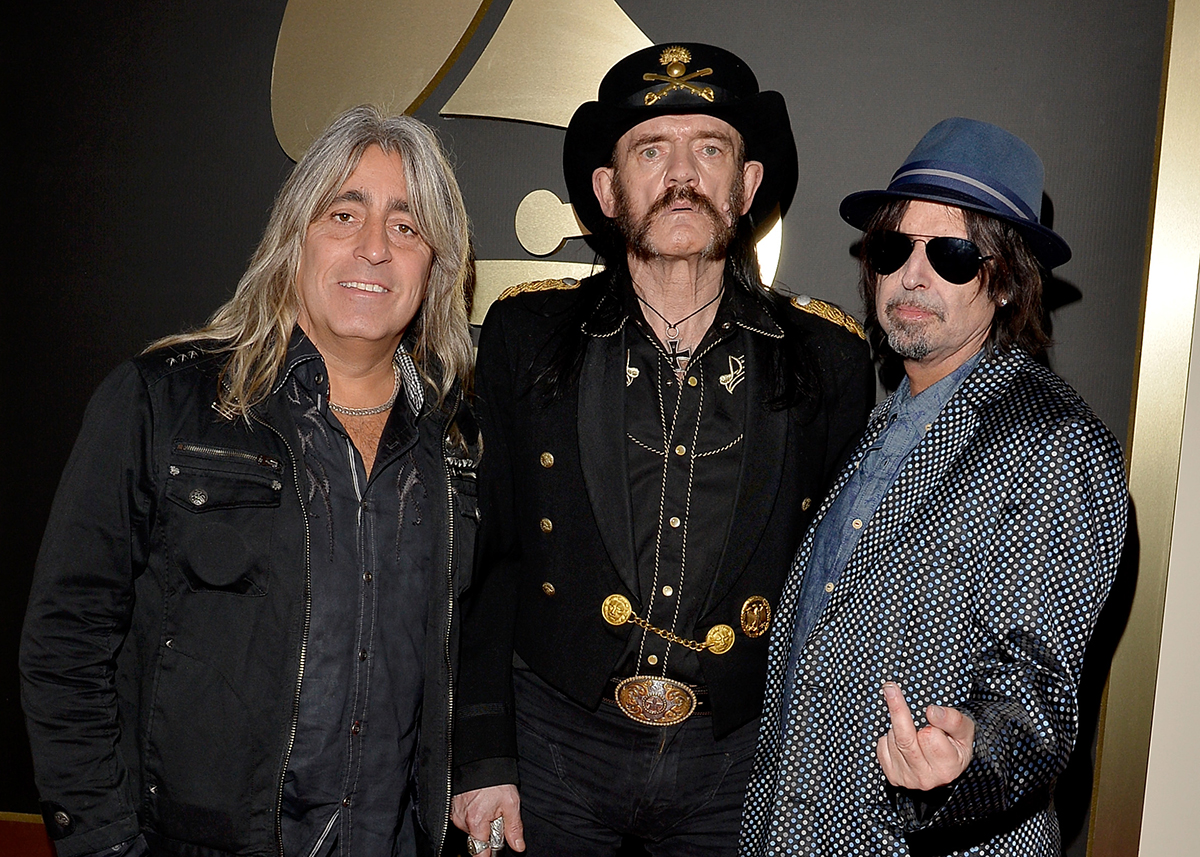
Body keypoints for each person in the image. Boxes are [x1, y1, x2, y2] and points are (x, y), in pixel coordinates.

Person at [20, 105, 479, 857]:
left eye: (406, 226)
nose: (373, 249)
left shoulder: (464, 445)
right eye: (344, 213)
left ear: (437, 263)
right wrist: (102, 842)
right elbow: (65, 644)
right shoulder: (159, 402)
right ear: (294, 238)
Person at [452, 43, 875, 856]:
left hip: (737, 759)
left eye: (709, 149)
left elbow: (842, 596)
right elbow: (489, 557)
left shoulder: (829, 356)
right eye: (652, 150)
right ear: (609, 192)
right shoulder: (525, 335)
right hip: (552, 743)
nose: (682, 174)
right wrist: (482, 753)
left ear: (746, 185)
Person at [739, 117, 1130, 856]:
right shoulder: (882, 427)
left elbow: (1036, 688)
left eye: (952, 254)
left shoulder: (1053, 442)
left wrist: (969, 759)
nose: (913, 275)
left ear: (1008, 278)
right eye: (894, 248)